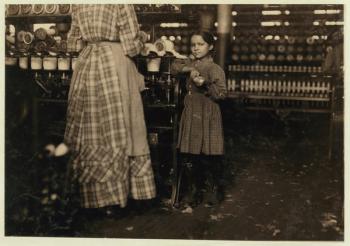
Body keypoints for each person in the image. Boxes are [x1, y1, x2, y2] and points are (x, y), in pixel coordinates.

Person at [64, 4, 156, 216]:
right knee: (121, 123)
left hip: (87, 63)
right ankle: (115, 198)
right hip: (114, 63)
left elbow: (73, 42)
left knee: (88, 125)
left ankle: (88, 196)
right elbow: (131, 46)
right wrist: (141, 40)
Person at [171, 31, 227, 208]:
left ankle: (214, 191)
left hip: (208, 112)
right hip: (192, 111)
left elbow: (222, 94)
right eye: (193, 44)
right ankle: (194, 191)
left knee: (210, 153)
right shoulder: (190, 63)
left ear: (210, 47)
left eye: (200, 44)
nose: (196, 48)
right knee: (192, 153)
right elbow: (174, 66)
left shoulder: (214, 68)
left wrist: (206, 84)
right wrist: (190, 69)